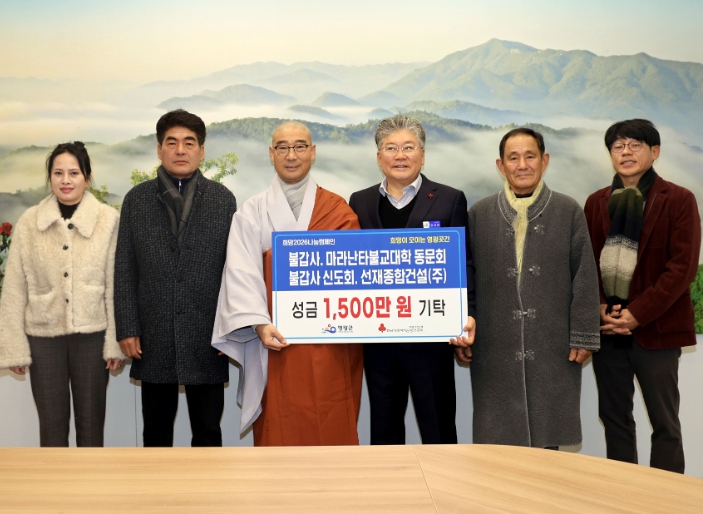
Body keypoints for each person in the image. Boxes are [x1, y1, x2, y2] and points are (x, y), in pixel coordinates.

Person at [212, 121, 363, 446]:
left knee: (330, 416)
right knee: (279, 424)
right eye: (282, 147)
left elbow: (353, 275)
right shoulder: (252, 211)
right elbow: (241, 271)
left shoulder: (337, 209)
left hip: (329, 342)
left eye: (299, 146)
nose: (291, 155)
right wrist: (260, 324)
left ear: (312, 152)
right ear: (272, 153)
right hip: (274, 339)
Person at [467, 127, 600, 448]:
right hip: (494, 345)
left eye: (530, 156)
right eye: (513, 158)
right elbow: (467, 278)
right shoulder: (479, 213)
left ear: (545, 160)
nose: (522, 165)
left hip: (553, 343)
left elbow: (585, 275)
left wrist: (583, 335)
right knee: (498, 441)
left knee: (548, 436)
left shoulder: (568, 210)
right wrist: (463, 326)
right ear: (501, 165)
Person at [348, 114, 475, 445]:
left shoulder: (449, 199)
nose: (400, 155)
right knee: (384, 432)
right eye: (391, 148)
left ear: (422, 154)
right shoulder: (360, 201)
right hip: (378, 341)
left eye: (408, 147)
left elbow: (465, 264)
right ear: (379, 157)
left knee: (438, 430)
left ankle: (443, 481)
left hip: (430, 341)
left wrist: (468, 314)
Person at [114, 109, 237, 447]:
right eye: (172, 143)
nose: (180, 150)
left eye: (189, 143)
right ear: (159, 149)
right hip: (153, 334)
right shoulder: (137, 200)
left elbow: (234, 270)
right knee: (155, 432)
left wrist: (229, 329)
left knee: (208, 430)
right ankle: (156, 484)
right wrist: (127, 327)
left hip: (208, 334)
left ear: (201, 151)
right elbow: (124, 268)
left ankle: (208, 483)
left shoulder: (222, 200)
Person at [584, 119, 701, 473]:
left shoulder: (678, 199)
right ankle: (624, 495)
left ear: (655, 151)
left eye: (635, 145)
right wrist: (599, 306)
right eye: (618, 146)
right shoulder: (596, 202)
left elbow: (682, 268)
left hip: (657, 330)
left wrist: (638, 313)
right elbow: (586, 263)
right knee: (615, 419)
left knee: (665, 423)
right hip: (608, 331)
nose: (626, 152)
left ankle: (666, 497)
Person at [0, 141, 123, 446]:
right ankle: (54, 480)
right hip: (43, 339)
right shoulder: (30, 222)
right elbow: (14, 288)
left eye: (74, 173)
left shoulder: (108, 220)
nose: (66, 180)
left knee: (91, 426)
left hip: (93, 337)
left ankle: (90, 479)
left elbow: (115, 284)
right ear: (50, 177)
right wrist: (14, 347)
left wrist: (114, 343)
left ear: (87, 177)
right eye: (58, 173)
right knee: (51, 429)